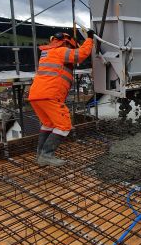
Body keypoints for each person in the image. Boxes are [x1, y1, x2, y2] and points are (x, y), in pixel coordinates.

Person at [28, 30, 94, 166]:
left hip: (36, 96)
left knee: (48, 124)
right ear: (66, 42)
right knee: (64, 126)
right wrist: (90, 39)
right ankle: (46, 155)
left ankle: (40, 155)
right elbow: (80, 55)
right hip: (49, 95)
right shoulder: (60, 51)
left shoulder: (46, 53)